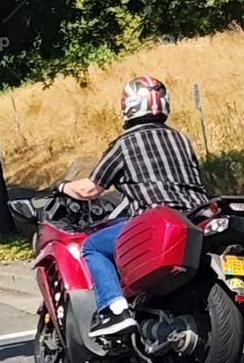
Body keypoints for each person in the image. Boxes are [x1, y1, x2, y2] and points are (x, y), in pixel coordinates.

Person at [60, 75, 208, 340]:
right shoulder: (181, 139)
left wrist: (62, 187)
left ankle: (114, 309)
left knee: (92, 246)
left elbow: (91, 189)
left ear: (128, 105)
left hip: (154, 221)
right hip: (196, 218)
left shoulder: (124, 143)